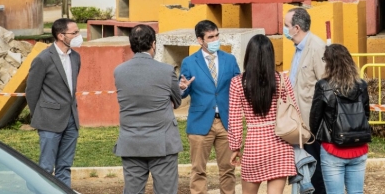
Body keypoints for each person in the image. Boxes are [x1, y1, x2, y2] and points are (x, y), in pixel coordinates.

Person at [113, 25, 183, 194]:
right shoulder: (166, 71)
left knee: (132, 191)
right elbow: (177, 100)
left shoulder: (119, 71)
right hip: (162, 143)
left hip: (131, 142)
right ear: (153, 44)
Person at [228, 34, 297, 194]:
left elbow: (234, 119)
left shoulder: (237, 83)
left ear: (248, 56)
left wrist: (235, 147)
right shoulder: (282, 80)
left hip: (255, 147)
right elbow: (294, 111)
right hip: (281, 145)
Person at [179, 20, 241, 194]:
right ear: (200, 40)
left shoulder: (230, 59)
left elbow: (239, 87)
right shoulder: (189, 62)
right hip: (199, 123)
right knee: (198, 170)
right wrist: (182, 87)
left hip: (226, 123)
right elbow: (182, 90)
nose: (215, 40)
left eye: (217, 35)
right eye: (210, 37)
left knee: (228, 170)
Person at [26, 18, 82, 187]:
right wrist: (40, 116)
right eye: (75, 33)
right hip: (49, 121)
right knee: (46, 167)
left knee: (64, 166)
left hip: (71, 120)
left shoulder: (76, 57)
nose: (79, 36)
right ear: (60, 35)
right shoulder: (43, 59)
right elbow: (32, 91)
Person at [309, 44, 371, 194]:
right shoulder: (361, 85)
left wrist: (321, 136)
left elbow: (314, 119)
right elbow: (366, 114)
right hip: (359, 147)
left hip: (332, 149)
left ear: (329, 63)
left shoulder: (323, 86)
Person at [283, 7, 328, 193]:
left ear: (296, 27)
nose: (284, 29)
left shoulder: (316, 47)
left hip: (312, 124)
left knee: (316, 171)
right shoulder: (298, 49)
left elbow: (325, 85)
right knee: (304, 169)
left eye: (286, 25)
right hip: (298, 123)